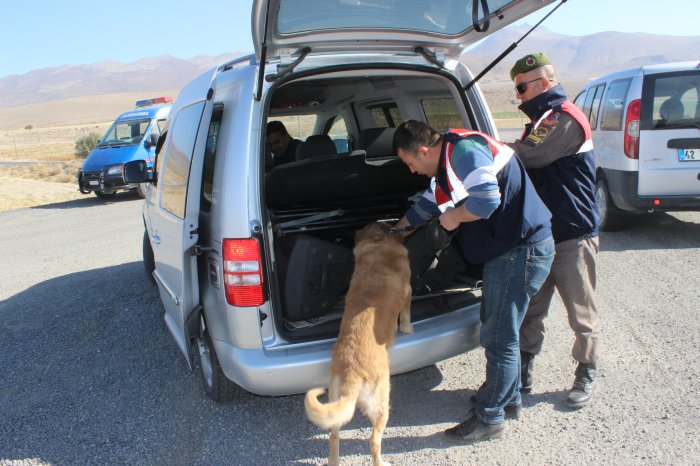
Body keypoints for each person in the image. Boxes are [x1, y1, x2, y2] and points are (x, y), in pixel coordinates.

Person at [392, 120, 554, 444]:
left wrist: (452, 218)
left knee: (498, 336)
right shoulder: (447, 164)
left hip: (521, 251)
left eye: (410, 163)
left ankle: (489, 418)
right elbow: (427, 205)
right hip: (510, 249)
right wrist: (395, 233)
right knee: (499, 329)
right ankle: (508, 401)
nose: (411, 171)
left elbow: (487, 200)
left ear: (423, 151)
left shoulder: (463, 151)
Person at [507, 52, 601, 408]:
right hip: (543, 235)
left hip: (573, 234)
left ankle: (586, 371)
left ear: (545, 82)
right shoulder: (541, 119)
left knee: (581, 312)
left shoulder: (562, 117)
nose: (518, 96)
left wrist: (490, 149)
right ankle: (524, 372)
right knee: (532, 309)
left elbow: (530, 156)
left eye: (522, 87)